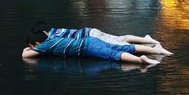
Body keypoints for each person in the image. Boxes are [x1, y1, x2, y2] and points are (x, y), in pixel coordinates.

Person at [21, 30, 172, 65]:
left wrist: (27, 50)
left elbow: (25, 55)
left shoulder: (45, 46)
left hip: (87, 46)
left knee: (112, 54)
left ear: (36, 44)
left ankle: (141, 61)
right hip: (90, 39)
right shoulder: (53, 38)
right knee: (121, 47)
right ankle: (156, 50)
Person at [30, 21, 160, 46]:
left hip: (90, 37)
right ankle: (146, 39)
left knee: (119, 44)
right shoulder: (57, 29)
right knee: (121, 38)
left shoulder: (52, 37)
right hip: (91, 31)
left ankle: (148, 46)